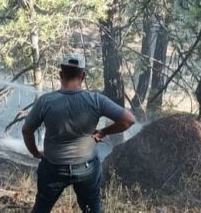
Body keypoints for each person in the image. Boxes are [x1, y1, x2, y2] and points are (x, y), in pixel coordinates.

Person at [22, 52, 137, 213]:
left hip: (53, 168)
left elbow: (26, 131)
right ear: (83, 75)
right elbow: (129, 120)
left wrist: (36, 153)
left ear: (61, 74)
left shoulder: (45, 101)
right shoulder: (96, 100)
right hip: (87, 169)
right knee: (92, 210)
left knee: (41, 208)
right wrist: (103, 132)